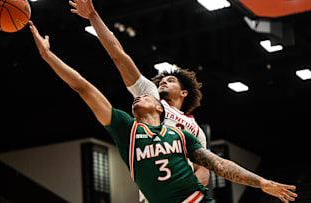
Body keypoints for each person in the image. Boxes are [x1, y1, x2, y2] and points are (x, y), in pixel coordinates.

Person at [28, 21, 298, 203]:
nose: (155, 87)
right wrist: (49, 55)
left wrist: (261, 182)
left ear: (173, 99)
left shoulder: (186, 132)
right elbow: (94, 78)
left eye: (169, 82)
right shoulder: (129, 123)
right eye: (157, 84)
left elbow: (214, 167)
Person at [68, 4, 210, 202]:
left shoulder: (196, 130)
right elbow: (118, 54)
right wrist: (93, 16)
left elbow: (203, 171)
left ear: (184, 92)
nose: (162, 82)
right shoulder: (151, 97)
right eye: (161, 80)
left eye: (170, 81)